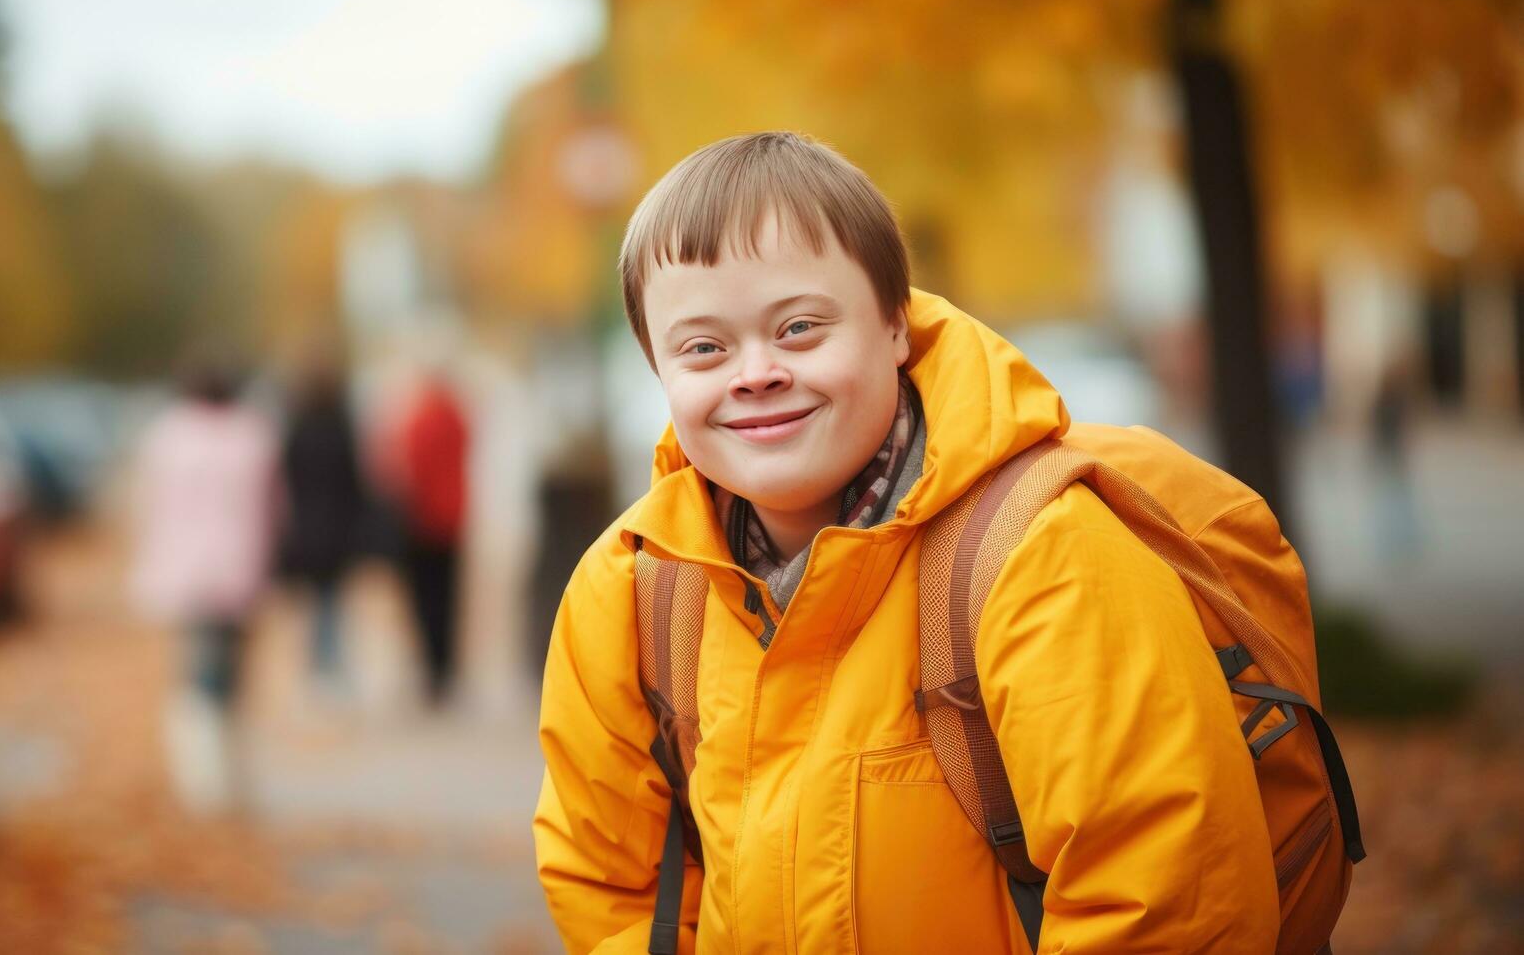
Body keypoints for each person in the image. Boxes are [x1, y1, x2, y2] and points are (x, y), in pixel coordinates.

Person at [533, 133, 1282, 951]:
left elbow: (1166, 899)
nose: (753, 372)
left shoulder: (1041, 556)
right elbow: (613, 889)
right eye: (703, 347)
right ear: (658, 368)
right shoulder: (635, 593)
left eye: (798, 328)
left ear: (895, 326)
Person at [130, 349, 277, 812]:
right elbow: (272, 508)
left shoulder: (167, 437)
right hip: (239, 568)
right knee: (229, 671)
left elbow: (147, 504)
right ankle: (227, 766)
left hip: (185, 570)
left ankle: (202, 774)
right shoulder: (253, 437)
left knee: (196, 670)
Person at [277, 349, 373, 700]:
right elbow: (356, 483)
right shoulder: (342, 429)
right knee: (331, 603)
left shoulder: (295, 429)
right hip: (338, 531)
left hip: (306, 529)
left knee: (318, 604)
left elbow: (286, 481)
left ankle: (319, 669)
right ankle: (329, 670)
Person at [394, 372, 469, 707]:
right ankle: (446, 666)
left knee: (424, 598)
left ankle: (431, 668)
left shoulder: (418, 419)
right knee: (448, 596)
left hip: (421, 520)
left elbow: (406, 468)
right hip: (451, 518)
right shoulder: (455, 416)